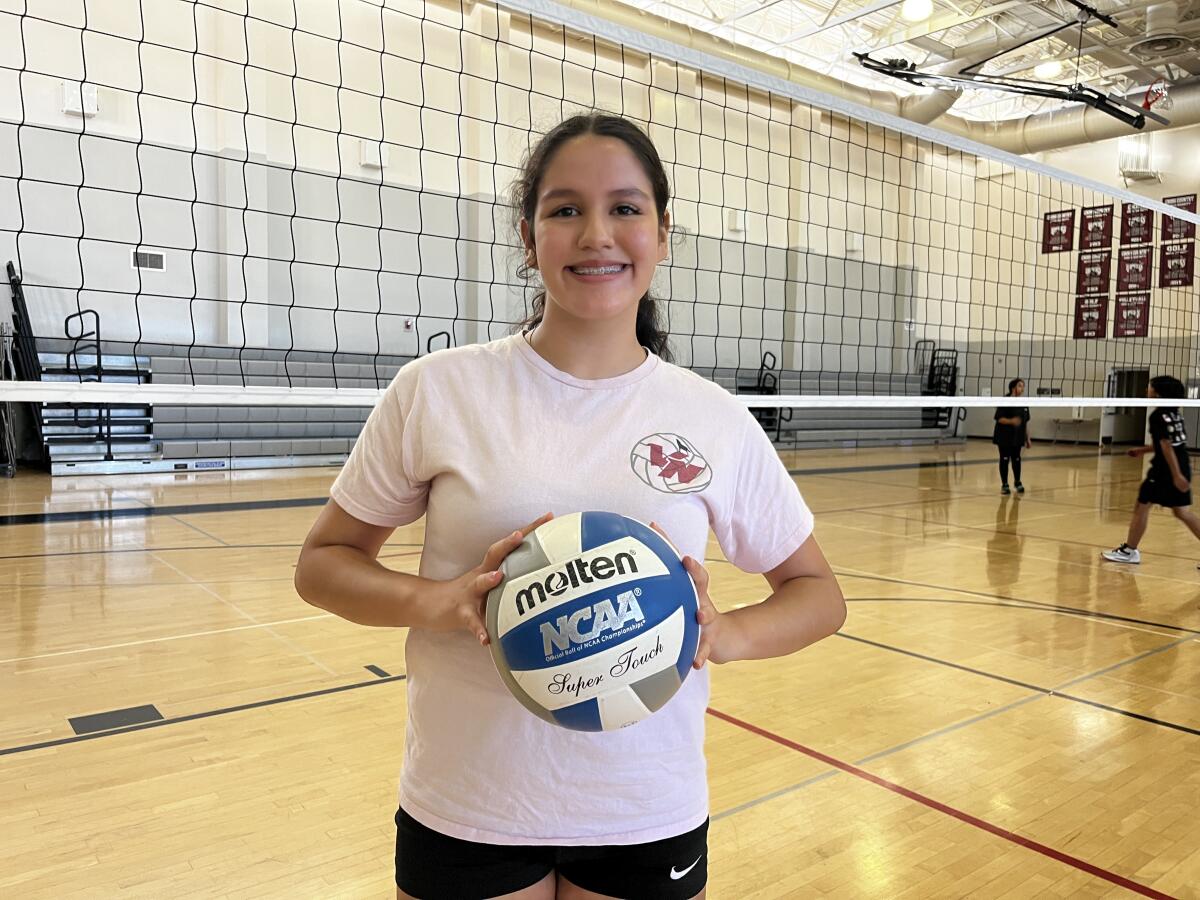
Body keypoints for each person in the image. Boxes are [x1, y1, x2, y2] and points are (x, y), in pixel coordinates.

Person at [294, 112, 847, 900]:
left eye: (625, 208)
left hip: (642, 806)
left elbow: (819, 594)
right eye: (565, 210)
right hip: (469, 800)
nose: (597, 234)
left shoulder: (713, 416)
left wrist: (726, 635)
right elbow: (322, 565)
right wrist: (443, 601)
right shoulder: (439, 390)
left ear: (661, 232)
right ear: (530, 236)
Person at [1103, 375, 1200, 565]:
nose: (1146, 390)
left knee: (1142, 506)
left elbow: (1165, 445)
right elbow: (1170, 443)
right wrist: (1143, 450)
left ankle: (1129, 551)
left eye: (1149, 387)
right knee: (1181, 512)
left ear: (1158, 393)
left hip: (1165, 470)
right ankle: (1130, 550)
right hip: (1181, 463)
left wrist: (1176, 475)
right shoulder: (1174, 413)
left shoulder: (1157, 416)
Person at [993, 378, 1031, 495]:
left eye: (1023, 386)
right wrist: (1012, 421)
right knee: (1004, 459)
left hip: (1017, 437)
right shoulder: (1005, 400)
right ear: (1013, 387)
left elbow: (1025, 423)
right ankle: (1004, 484)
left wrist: (1027, 438)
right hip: (1004, 436)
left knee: (1017, 459)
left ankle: (1017, 482)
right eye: (1020, 386)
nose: (1022, 388)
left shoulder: (1023, 403)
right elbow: (999, 418)